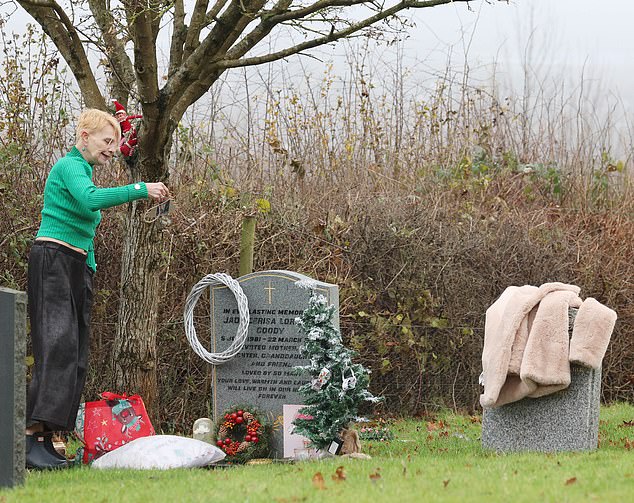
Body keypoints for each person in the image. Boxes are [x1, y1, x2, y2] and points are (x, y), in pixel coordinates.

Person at [25, 108, 170, 469]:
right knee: (57, 348)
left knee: (75, 356)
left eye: (116, 143)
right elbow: (90, 200)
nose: (112, 149)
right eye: (108, 141)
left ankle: (51, 437)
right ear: (84, 136)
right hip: (52, 261)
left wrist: (87, 269)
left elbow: (84, 226)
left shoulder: (85, 170)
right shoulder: (70, 167)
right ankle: (29, 438)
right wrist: (140, 188)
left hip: (74, 266)